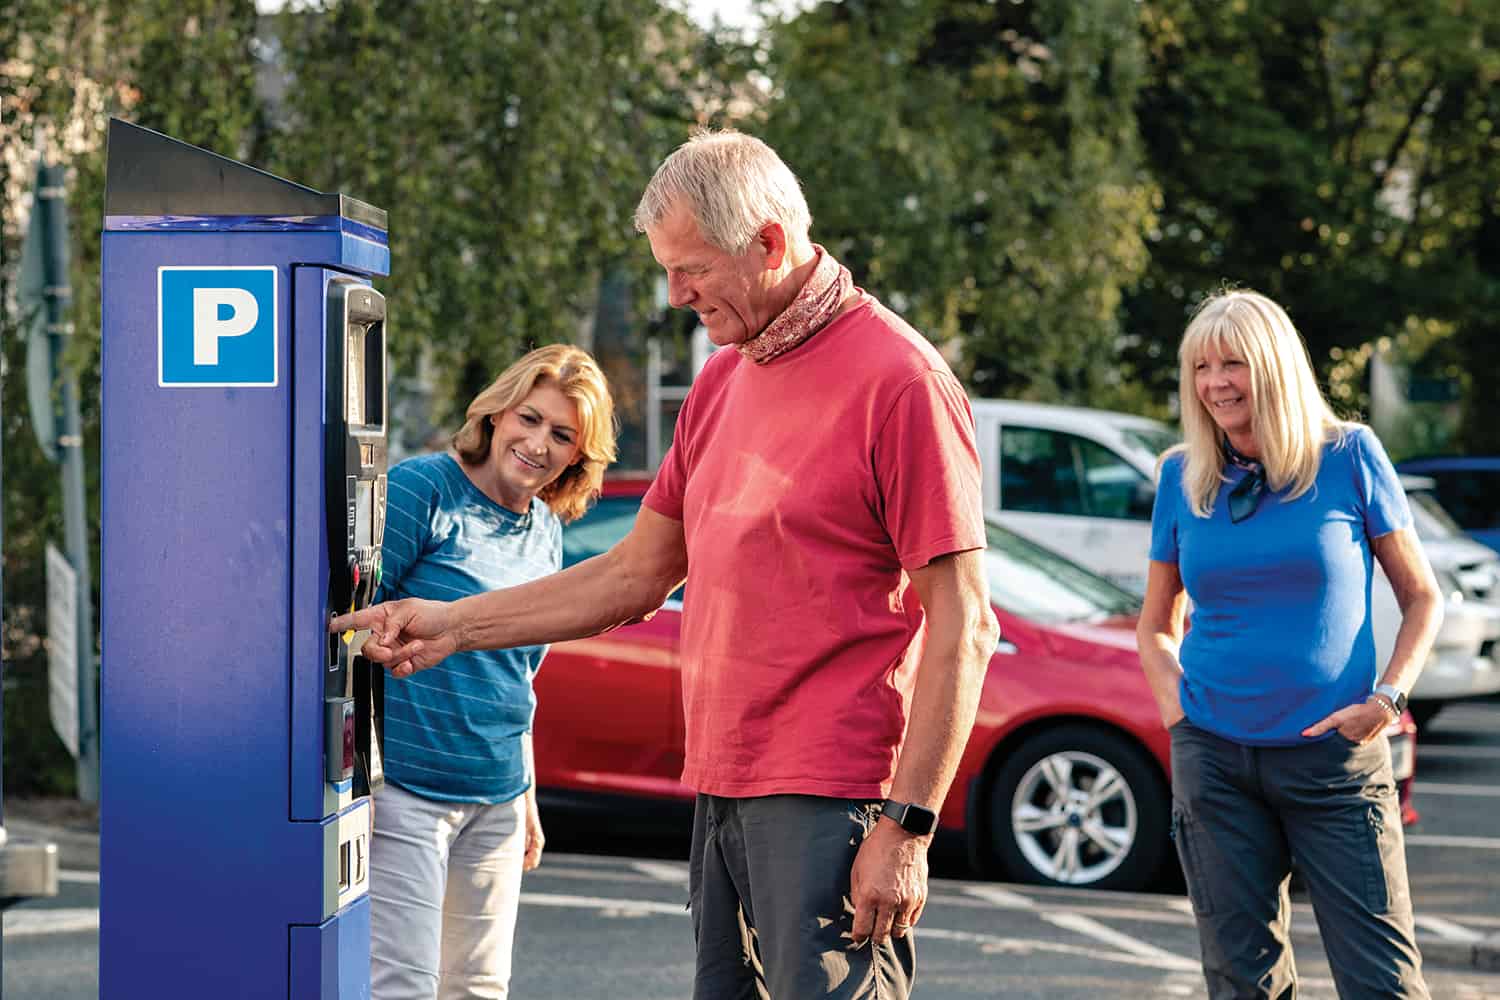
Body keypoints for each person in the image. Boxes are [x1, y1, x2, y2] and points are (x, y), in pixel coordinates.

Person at [335, 129, 1000, 999]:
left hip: (834, 796)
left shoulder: (901, 381)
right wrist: (449, 625)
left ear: (767, 241)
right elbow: (631, 577)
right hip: (722, 782)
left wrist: (908, 828)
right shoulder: (725, 381)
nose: (675, 293)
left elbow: (967, 624)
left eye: (691, 268)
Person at [1136, 289, 1441, 999]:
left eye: (1233, 363)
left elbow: (1422, 597)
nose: (1215, 383)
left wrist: (1386, 702)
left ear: (1272, 366)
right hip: (1214, 760)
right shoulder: (1182, 476)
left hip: (1335, 762)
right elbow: (1156, 622)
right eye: (1201, 367)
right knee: (1242, 982)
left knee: (1383, 982)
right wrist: (1179, 719)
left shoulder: (1350, 456)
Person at [367, 344, 617, 1000]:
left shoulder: (544, 532)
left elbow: (521, 679)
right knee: (402, 987)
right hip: (407, 792)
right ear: (497, 413)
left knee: (479, 988)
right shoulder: (425, 488)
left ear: (578, 456)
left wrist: (528, 798)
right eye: (529, 419)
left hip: (499, 798)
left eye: (562, 435)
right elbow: (353, 624)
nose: (538, 443)